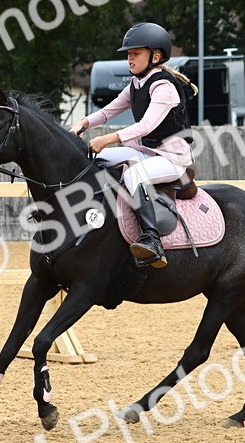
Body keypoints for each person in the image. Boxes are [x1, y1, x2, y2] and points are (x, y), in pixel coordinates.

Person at [70, 22, 194, 269]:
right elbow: (108, 111)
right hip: (146, 152)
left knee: (134, 174)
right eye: (128, 54)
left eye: (136, 53)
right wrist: (82, 123)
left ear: (155, 57)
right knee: (98, 160)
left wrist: (108, 139)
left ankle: (152, 240)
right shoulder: (136, 84)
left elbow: (146, 126)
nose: (130, 58)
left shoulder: (164, 87)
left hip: (173, 159)